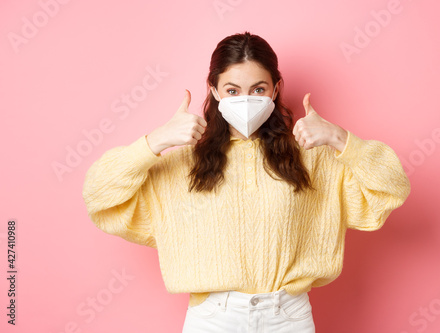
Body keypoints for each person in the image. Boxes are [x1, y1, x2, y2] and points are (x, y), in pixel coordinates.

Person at [82, 31, 411, 333]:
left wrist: (340, 139)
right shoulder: (182, 164)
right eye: (232, 90)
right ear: (213, 89)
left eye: (258, 89)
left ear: (275, 89)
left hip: (289, 318)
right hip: (213, 319)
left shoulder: (313, 157)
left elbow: (391, 187)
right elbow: (99, 194)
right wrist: (155, 141)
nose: (246, 99)